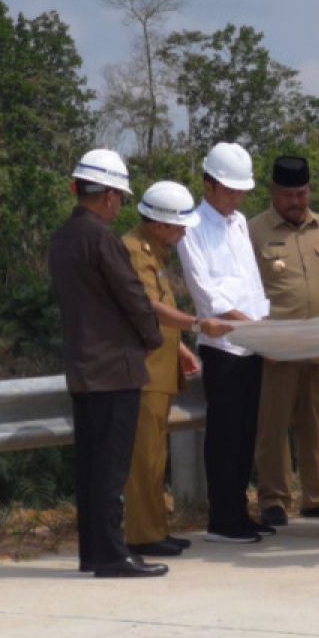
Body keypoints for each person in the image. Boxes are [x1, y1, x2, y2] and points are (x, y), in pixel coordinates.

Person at [47, 148, 168, 578]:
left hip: (83, 367)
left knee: (92, 467)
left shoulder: (63, 237)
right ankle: (114, 554)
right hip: (115, 368)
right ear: (110, 196)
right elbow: (133, 297)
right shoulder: (102, 238)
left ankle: (94, 552)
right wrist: (153, 338)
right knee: (112, 468)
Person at [120, 181, 233, 557]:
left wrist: (180, 345)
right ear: (158, 223)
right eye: (178, 225)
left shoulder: (153, 250)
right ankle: (142, 534)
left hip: (161, 363)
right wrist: (197, 325)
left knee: (155, 456)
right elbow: (149, 307)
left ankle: (155, 528)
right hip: (145, 369)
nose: (183, 232)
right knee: (144, 457)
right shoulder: (136, 252)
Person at [248, 156, 319, 526]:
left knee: (313, 420)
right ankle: (274, 499)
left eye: (303, 192)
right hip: (278, 346)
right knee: (273, 424)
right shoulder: (253, 231)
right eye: (289, 194)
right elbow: (246, 291)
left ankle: (316, 496)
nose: (297, 200)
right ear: (274, 193)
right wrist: (262, 340)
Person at [177, 142, 273, 543]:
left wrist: (263, 322)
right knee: (225, 433)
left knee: (246, 431)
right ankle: (223, 517)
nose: (236, 197)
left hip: (252, 342)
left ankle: (240, 511)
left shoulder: (238, 222)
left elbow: (250, 281)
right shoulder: (191, 227)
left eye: (240, 191)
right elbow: (206, 291)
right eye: (229, 190)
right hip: (223, 347)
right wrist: (242, 322)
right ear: (208, 184)